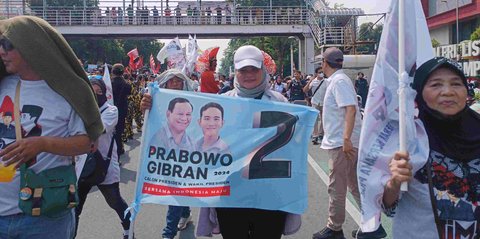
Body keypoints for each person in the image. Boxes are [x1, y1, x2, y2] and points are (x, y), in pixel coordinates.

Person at [0, 16, 104, 239]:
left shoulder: (68, 90)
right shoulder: (2, 84)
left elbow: (88, 142)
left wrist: (43, 144)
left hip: (45, 216)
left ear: (30, 47)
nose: (1, 51)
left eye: (8, 45)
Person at [381, 57, 480, 238]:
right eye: (436, 85)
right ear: (419, 91)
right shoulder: (407, 137)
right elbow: (387, 206)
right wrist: (394, 182)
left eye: (456, 84)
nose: (448, 92)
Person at [313, 47, 364, 239]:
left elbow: (350, 109)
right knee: (353, 185)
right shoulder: (338, 80)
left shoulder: (339, 81)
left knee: (337, 186)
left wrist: (346, 139)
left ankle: (334, 228)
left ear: (324, 63)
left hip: (342, 143)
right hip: (344, 141)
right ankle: (372, 225)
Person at [142, 69, 195, 239]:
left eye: (178, 80)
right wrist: (144, 106)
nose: (174, 83)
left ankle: (168, 233)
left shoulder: (194, 100)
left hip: (185, 153)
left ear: (183, 83)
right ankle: (185, 212)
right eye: (171, 80)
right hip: (165, 153)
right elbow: (148, 119)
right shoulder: (157, 99)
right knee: (178, 190)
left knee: (176, 190)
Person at [75, 80, 131, 239]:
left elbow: (98, 129)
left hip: (104, 166)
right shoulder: (80, 109)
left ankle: (129, 230)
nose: (94, 95)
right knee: (75, 208)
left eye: (98, 91)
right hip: (83, 165)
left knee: (116, 202)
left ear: (104, 93)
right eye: (91, 91)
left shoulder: (111, 110)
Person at [111, 63, 131, 156]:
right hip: (122, 110)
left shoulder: (109, 83)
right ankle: (118, 151)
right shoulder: (126, 84)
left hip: (110, 110)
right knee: (119, 132)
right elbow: (129, 91)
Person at [304, 67, 326, 145]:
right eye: (320, 72)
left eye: (322, 72)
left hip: (324, 103)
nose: (321, 73)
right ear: (316, 73)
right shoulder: (313, 81)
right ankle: (315, 135)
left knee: (324, 119)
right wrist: (310, 81)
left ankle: (321, 134)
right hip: (315, 102)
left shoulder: (326, 81)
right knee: (315, 119)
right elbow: (305, 90)